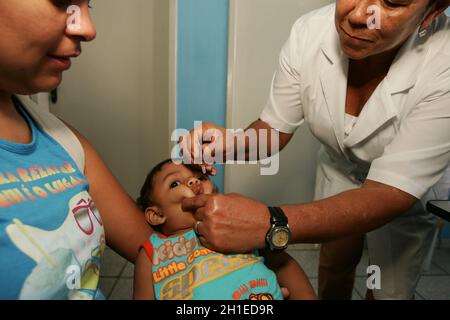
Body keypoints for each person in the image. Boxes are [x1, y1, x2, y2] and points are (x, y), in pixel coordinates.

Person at [180, 0, 450, 300]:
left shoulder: (444, 63)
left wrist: (270, 222)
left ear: (433, 11)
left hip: (401, 196)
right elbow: (274, 129)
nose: (360, 15)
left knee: (386, 288)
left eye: (392, 2)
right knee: (335, 265)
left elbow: (389, 192)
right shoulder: (309, 32)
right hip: (339, 170)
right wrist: (231, 142)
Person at [0, 0, 151, 299]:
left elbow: (154, 248)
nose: (88, 29)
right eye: (62, 1)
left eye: (87, 4)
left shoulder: (61, 138)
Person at [133, 159, 316, 300]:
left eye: (201, 177)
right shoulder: (152, 253)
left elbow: (282, 264)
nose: (193, 181)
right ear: (156, 215)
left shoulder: (236, 226)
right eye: (175, 183)